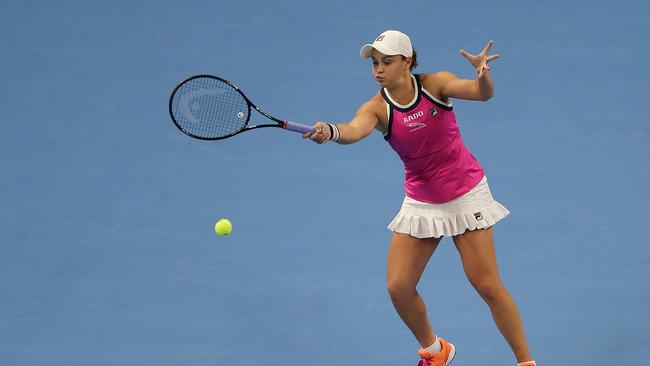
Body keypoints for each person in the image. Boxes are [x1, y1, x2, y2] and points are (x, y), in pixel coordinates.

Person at [304, 30, 536, 366]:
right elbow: (354, 130)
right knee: (399, 287)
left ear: (407, 61)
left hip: (465, 193)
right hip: (422, 201)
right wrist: (331, 131)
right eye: (374, 63)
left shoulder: (435, 85)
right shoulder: (377, 108)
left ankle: (526, 362)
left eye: (386, 62)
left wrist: (483, 74)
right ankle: (435, 351)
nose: (378, 70)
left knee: (487, 286)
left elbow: (481, 94)